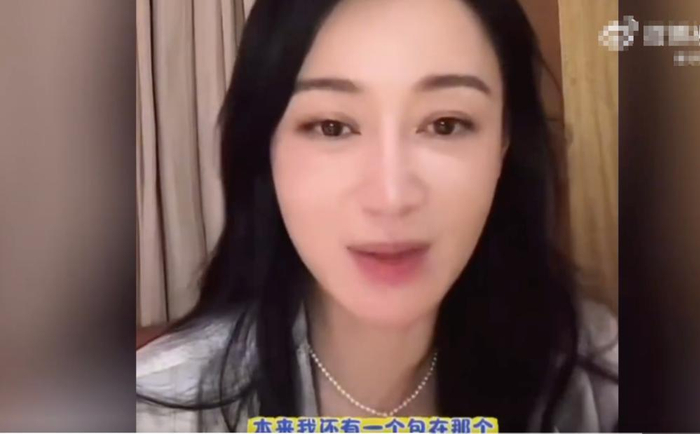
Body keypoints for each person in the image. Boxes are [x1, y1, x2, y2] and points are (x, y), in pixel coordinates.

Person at [136, 0, 618, 431]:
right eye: (332, 127)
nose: (391, 197)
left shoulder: (595, 378)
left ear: (503, 143)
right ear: (266, 147)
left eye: (445, 124)